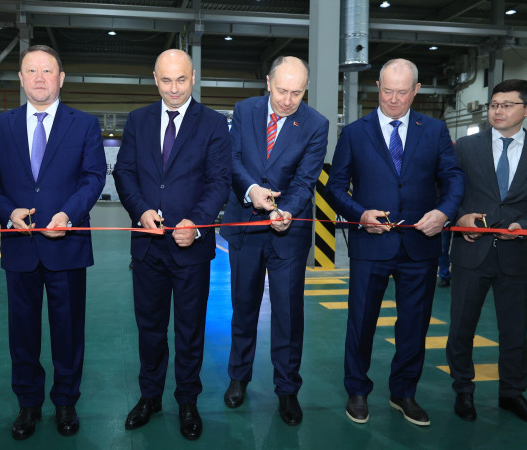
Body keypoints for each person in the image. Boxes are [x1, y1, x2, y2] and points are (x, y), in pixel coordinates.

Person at [0, 45, 106, 440]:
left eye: (47, 70)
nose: (40, 78)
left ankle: (66, 401)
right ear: (20, 78)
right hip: (20, 246)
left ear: (61, 78)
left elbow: (94, 176)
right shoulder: (0, 126)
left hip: (67, 244)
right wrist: (8, 212)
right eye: (31, 70)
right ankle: (28, 404)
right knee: (23, 332)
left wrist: (69, 214)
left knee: (68, 330)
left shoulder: (84, 124)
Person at [327, 59, 464, 427]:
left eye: (402, 92)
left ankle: (403, 392)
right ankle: (357, 390)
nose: (392, 98)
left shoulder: (434, 130)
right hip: (370, 244)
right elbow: (335, 187)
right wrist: (360, 215)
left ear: (416, 90)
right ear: (377, 86)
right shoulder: (354, 133)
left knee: (414, 325)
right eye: (387, 90)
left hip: (420, 244)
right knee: (361, 322)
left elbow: (453, 178)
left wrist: (444, 213)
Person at [113, 49, 231, 441]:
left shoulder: (213, 123)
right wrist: (140, 210)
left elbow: (219, 180)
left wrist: (196, 223)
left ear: (193, 77)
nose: (174, 88)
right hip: (148, 246)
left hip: (190, 246)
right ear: (154, 78)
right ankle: (150, 397)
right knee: (149, 328)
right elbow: (124, 172)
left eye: (181, 79)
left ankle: (187, 401)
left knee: (189, 329)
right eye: (166, 80)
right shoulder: (138, 120)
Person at [219, 56, 329, 426]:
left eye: (297, 93)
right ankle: (239, 377)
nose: (287, 100)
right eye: (282, 90)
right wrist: (252, 190)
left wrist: (288, 211)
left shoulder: (316, 124)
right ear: (268, 82)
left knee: (288, 314)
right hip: (245, 226)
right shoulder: (244, 110)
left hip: (287, 231)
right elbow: (232, 159)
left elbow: (306, 179)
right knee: (243, 306)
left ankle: (287, 389)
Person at [446, 79, 527, 427]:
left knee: (514, 330)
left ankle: (512, 392)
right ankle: (463, 389)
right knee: (461, 327)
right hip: (471, 252)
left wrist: (526, 224)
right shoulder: (465, 147)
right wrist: (460, 217)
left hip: (518, 254)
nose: (498, 111)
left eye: (507, 105)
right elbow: (446, 189)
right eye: (494, 104)